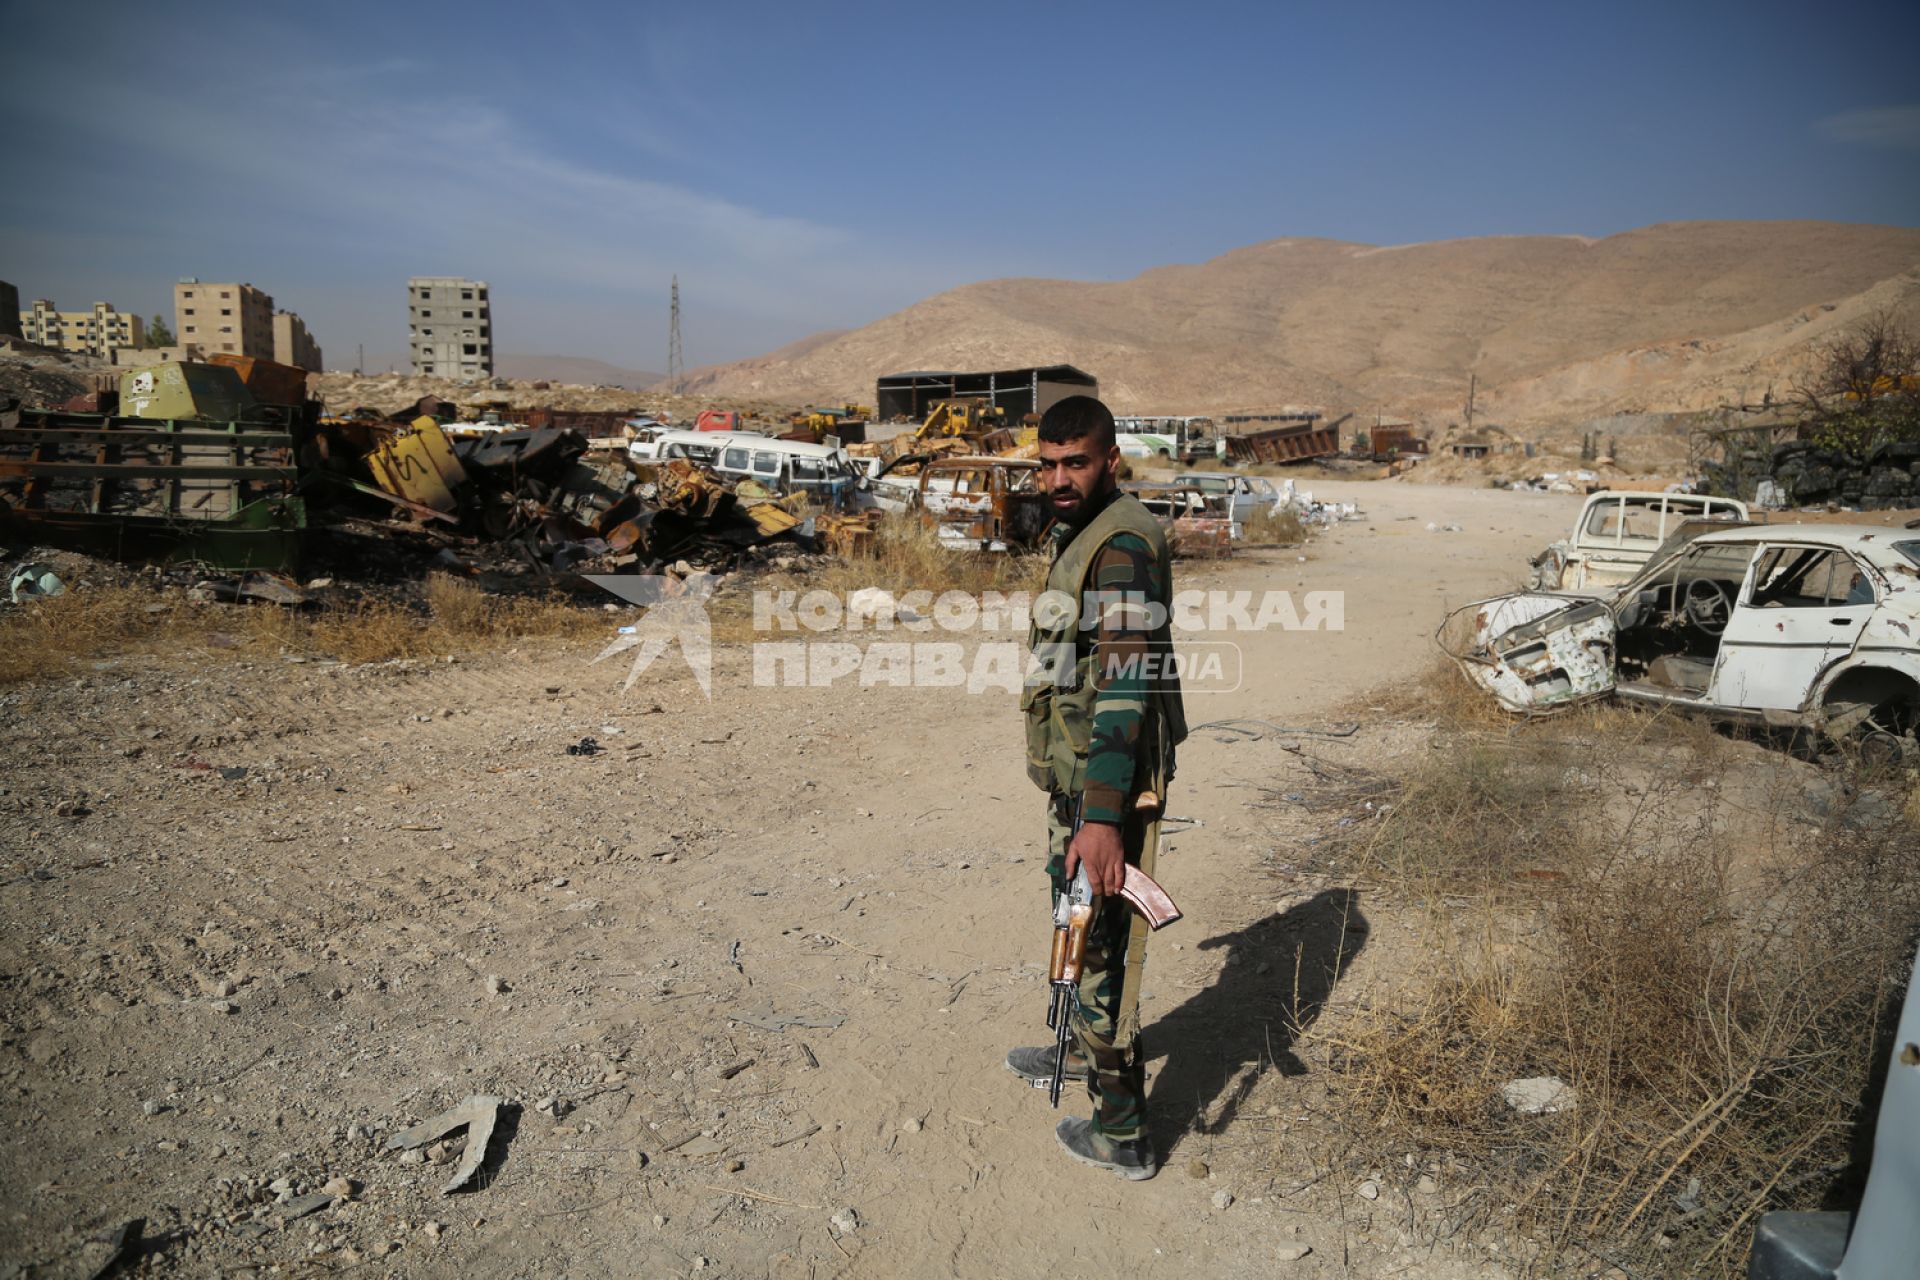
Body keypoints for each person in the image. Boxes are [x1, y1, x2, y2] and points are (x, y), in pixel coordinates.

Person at [1008, 394, 1186, 1180]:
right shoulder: (1081, 531)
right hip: (1080, 778)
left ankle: (1122, 1133)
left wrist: (1105, 819)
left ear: (1110, 459)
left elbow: (1124, 688)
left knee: (1104, 948)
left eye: (1075, 462)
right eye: (1046, 464)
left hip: (1106, 788)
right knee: (1075, 923)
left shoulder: (1118, 548)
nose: (1058, 477)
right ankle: (1081, 1048)